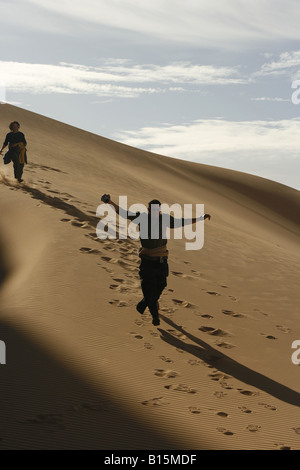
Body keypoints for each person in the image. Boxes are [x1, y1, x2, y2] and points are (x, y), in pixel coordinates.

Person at [105, 195, 211, 326]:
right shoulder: (142, 217)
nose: (155, 212)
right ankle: (155, 316)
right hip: (147, 260)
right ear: (148, 210)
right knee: (148, 288)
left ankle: (146, 302)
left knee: (161, 285)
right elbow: (122, 213)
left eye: (157, 210)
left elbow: (182, 222)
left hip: (161, 260)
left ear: (160, 210)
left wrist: (200, 218)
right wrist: (109, 202)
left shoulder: (165, 219)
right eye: (153, 210)